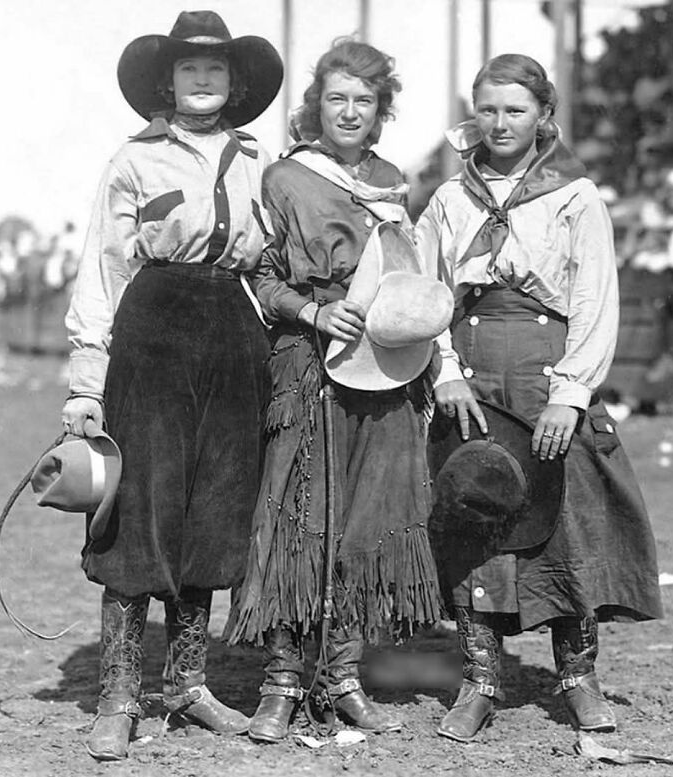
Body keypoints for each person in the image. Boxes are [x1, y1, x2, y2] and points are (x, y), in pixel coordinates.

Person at [415, 54, 663, 743]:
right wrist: (445, 372)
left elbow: (593, 300)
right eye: (489, 109)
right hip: (471, 377)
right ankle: (481, 678)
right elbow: (426, 293)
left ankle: (577, 678)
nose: (500, 122)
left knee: (567, 523)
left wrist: (571, 392)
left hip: (547, 376)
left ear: (543, 116)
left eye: (516, 110)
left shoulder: (575, 195)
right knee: (475, 513)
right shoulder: (448, 199)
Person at [61, 11, 282, 761]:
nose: (201, 78)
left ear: (237, 81)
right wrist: (86, 383)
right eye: (188, 67)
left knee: (216, 503)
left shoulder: (259, 159)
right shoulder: (133, 160)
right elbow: (102, 269)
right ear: (165, 79)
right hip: (153, 332)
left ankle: (188, 681)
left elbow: (274, 266)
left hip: (232, 335)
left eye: (215, 67)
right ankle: (119, 694)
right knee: (141, 506)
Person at [224, 38, 443, 743]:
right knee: (296, 516)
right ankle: (283, 680)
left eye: (364, 100)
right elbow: (260, 278)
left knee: (365, 517)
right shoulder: (285, 178)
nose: (349, 111)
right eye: (337, 97)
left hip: (384, 368)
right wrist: (314, 311)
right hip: (308, 359)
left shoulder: (393, 181)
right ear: (316, 103)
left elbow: (405, 277)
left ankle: (342, 673)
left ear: (380, 111)